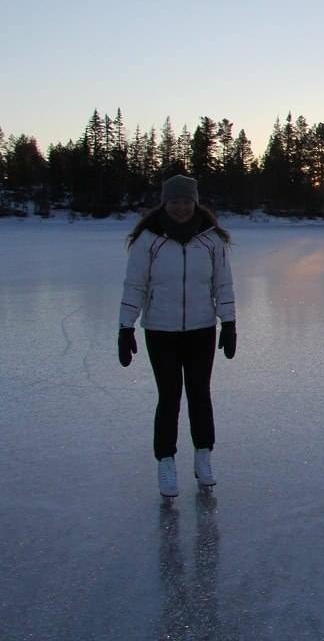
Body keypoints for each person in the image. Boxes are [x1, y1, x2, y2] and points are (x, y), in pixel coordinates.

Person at [118, 175, 237, 497]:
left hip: (201, 329)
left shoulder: (211, 240)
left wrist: (228, 322)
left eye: (186, 201)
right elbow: (135, 285)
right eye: (175, 202)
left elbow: (222, 284)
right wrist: (125, 326)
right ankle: (166, 463)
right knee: (169, 397)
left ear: (195, 202)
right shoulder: (149, 239)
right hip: (160, 331)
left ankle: (203, 457)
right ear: (165, 203)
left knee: (200, 394)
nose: (181, 207)